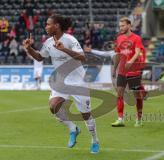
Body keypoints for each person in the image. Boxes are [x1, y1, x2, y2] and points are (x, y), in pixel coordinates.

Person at [22, 14, 99, 153]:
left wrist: (64, 49)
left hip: (78, 82)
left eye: (48, 24)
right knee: (53, 106)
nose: (45, 27)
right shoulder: (48, 42)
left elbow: (82, 57)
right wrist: (29, 48)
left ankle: (94, 140)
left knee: (86, 115)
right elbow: (40, 57)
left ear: (56, 26)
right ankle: (73, 129)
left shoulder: (70, 40)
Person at [111, 17, 146, 127]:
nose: (121, 28)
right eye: (120, 26)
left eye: (123, 25)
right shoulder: (119, 38)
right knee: (119, 94)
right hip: (122, 71)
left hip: (133, 71)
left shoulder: (136, 38)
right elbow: (118, 55)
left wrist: (131, 61)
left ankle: (139, 119)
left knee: (137, 96)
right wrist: (114, 68)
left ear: (129, 25)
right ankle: (120, 119)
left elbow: (137, 52)